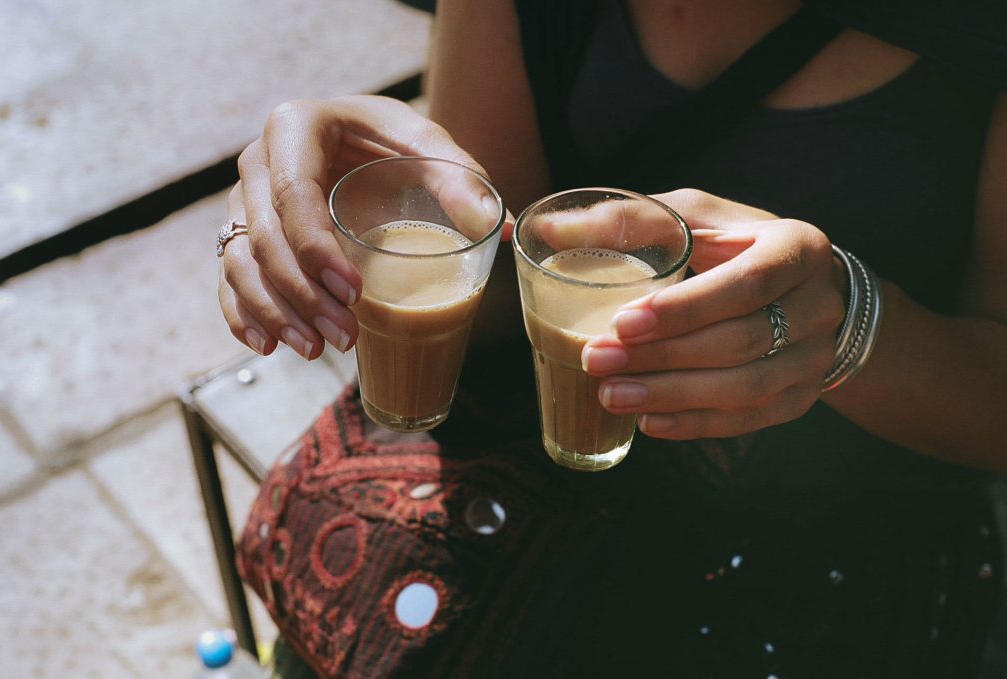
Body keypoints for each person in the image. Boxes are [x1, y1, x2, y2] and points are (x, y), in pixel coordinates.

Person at [217, 0, 1007, 676]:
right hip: (537, 488)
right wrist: (363, 232)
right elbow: (495, 273)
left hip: (850, 539)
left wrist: (852, 322)